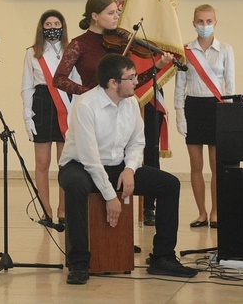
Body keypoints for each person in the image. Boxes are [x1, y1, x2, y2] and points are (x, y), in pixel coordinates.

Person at [58, 54, 197, 284]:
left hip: (117, 165)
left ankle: (162, 257)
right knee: (75, 185)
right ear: (113, 83)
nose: (136, 82)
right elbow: (89, 157)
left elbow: (136, 142)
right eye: (131, 77)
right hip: (80, 165)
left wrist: (131, 169)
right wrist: (111, 195)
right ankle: (79, 263)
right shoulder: (85, 105)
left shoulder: (131, 102)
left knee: (169, 185)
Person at [53, 0, 172, 226]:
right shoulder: (79, 43)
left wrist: (156, 67)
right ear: (95, 16)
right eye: (111, 13)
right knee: (86, 169)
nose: (116, 16)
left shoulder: (120, 43)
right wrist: (88, 91)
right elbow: (59, 78)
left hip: (118, 106)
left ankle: (119, 239)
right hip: (93, 109)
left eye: (117, 12)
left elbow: (131, 82)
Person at [174, 4, 235, 229]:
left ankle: (216, 212)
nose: (205, 26)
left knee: (216, 165)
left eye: (209, 21)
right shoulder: (185, 51)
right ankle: (201, 213)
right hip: (193, 107)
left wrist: (230, 113)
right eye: (200, 21)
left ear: (215, 23)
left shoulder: (226, 49)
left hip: (217, 107)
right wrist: (180, 114)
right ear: (193, 23)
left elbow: (231, 84)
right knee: (196, 165)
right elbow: (180, 85)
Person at [21, 10, 77, 226]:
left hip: (66, 105)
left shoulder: (71, 50)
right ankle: (46, 211)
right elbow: (26, 88)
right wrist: (28, 117)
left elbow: (77, 82)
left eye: (56, 23)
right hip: (42, 104)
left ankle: (64, 210)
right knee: (42, 163)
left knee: (65, 163)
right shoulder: (32, 53)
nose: (52, 27)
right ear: (41, 27)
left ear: (62, 26)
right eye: (48, 23)